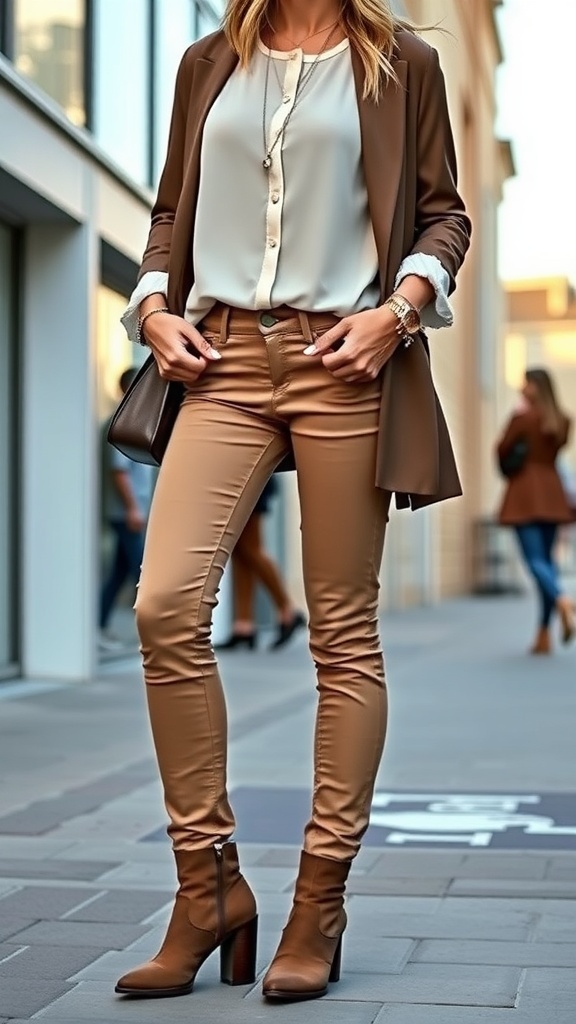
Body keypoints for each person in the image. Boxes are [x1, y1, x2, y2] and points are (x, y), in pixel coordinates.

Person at [114, 0, 470, 1004]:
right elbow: (171, 213)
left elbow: (446, 212)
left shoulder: (400, 62)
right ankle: (208, 887)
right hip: (220, 358)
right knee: (164, 606)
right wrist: (151, 309)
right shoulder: (206, 61)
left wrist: (396, 314)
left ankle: (320, 898)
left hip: (343, 362)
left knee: (343, 634)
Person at [497, 368, 575, 655]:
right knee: (548, 563)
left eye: (525, 383)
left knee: (534, 561)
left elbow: (502, 451)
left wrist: (518, 418)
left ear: (535, 387)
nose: (521, 387)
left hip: (525, 495)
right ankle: (544, 635)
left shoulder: (522, 418)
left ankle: (562, 599)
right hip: (553, 494)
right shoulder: (563, 421)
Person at [215, 476, 306, 650]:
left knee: (251, 548)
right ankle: (244, 625)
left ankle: (288, 611)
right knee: (239, 550)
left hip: (249, 477)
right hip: (239, 478)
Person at [99, 368, 154, 650]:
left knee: (120, 573)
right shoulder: (121, 423)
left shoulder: (135, 421)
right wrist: (134, 509)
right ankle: (153, 636)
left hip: (133, 513)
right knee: (140, 573)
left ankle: (98, 627)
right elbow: (119, 472)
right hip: (126, 514)